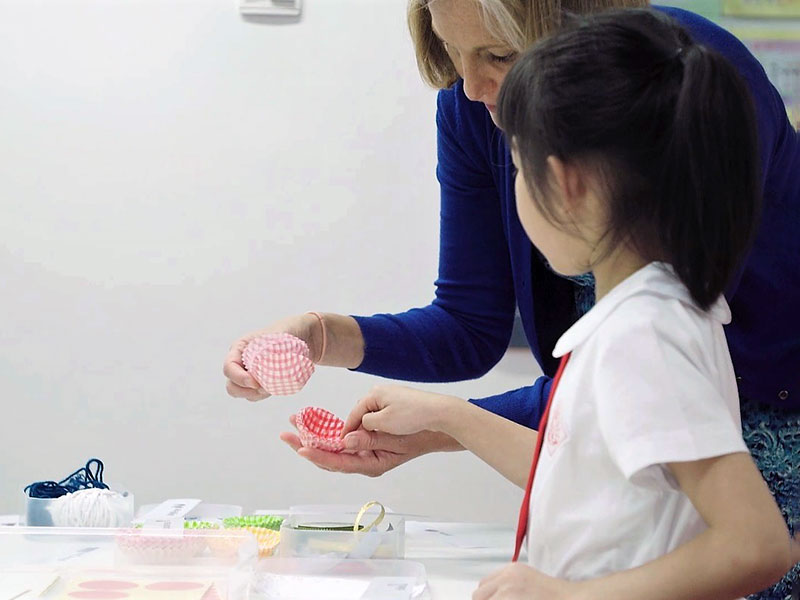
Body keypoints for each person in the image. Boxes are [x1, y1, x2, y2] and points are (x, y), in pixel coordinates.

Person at [223, 0, 800, 595]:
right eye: (453, 53)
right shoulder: (632, 327)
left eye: (498, 55)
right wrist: (444, 416)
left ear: (569, 182)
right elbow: (587, 470)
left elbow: (754, 544)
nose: (472, 88)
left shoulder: (646, 337)